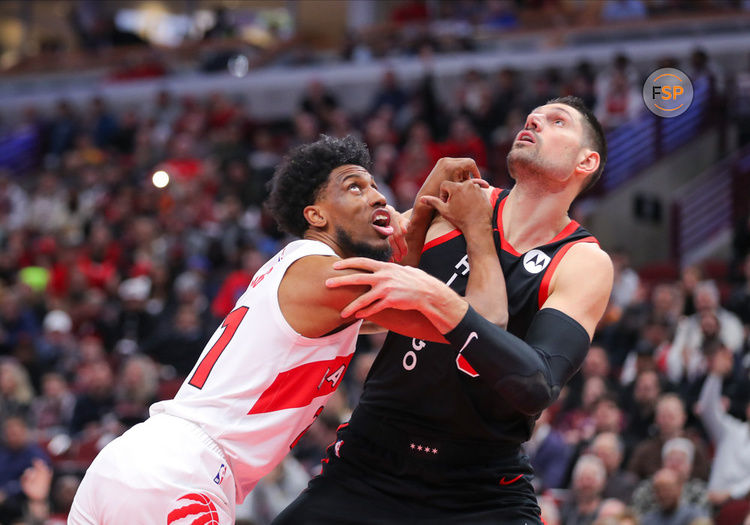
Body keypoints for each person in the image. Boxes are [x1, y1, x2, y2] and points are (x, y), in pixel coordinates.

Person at [68, 135, 502, 524]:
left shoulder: (313, 279)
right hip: (181, 473)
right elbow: (483, 329)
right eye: (355, 186)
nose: (379, 199)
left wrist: (425, 201)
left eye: (375, 187)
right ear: (315, 214)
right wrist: (479, 226)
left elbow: (400, 264)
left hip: (140, 464)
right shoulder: (328, 277)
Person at [274, 95, 614, 524]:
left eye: (557, 121)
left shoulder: (581, 260)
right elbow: (361, 293)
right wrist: (416, 210)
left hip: (479, 487)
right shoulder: (454, 199)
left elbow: (535, 386)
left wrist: (451, 275)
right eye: (533, 116)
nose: (535, 121)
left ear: (586, 162)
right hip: (371, 463)